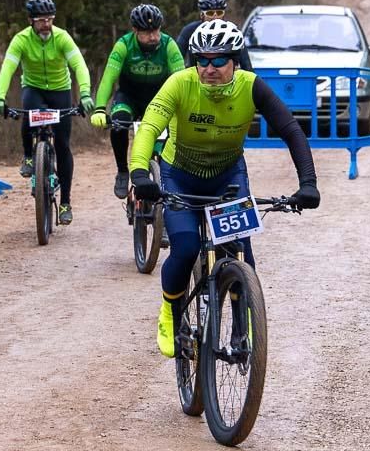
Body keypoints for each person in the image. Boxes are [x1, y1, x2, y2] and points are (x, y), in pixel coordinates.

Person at [129, 19, 320, 357]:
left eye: (219, 60)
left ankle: (240, 326)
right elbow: (149, 127)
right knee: (186, 248)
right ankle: (171, 316)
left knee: (239, 249)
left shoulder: (251, 86)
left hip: (228, 177)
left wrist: (308, 183)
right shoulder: (179, 83)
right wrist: (140, 174)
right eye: (202, 59)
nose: (209, 68)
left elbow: (291, 130)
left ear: (235, 60)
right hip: (180, 175)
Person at [0, 0, 94, 225]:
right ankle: (29, 156)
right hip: (34, 87)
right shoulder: (21, 40)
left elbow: (79, 65)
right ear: (31, 21)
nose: (46, 24)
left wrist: (85, 93)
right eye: (41, 20)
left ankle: (66, 202)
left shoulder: (62, 38)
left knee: (63, 145)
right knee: (30, 115)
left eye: (49, 19)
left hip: (60, 89)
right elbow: (7, 69)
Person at [90, 4, 185, 198]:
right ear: (135, 31)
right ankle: (123, 171)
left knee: (171, 133)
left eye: (156, 30)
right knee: (119, 124)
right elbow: (108, 78)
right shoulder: (124, 45)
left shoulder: (169, 45)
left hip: (159, 98)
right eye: (147, 32)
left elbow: (181, 80)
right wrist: (100, 109)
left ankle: (164, 173)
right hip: (129, 97)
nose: (153, 36)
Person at [175, 0, 252, 70]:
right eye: (210, 13)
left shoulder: (232, 32)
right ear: (202, 15)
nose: (215, 17)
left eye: (219, 13)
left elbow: (247, 66)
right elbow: (176, 59)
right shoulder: (189, 30)